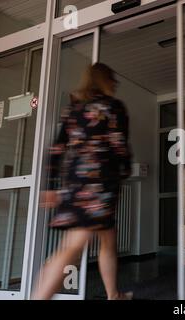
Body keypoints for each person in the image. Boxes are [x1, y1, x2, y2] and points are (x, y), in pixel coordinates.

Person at [32, 63, 132, 300]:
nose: (115, 85)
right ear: (106, 81)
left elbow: (56, 149)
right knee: (71, 247)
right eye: (113, 80)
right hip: (99, 185)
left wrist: (50, 185)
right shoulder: (113, 107)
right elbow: (119, 146)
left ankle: (113, 295)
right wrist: (125, 170)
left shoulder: (73, 110)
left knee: (108, 238)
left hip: (75, 184)